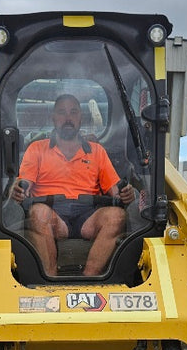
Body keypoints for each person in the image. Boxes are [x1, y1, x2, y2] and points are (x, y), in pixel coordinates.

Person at [11, 94, 135, 276]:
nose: (68, 118)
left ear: (81, 118)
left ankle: (89, 282)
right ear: (53, 118)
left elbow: (116, 190)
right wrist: (19, 189)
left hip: (89, 214)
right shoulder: (37, 148)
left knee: (117, 216)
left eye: (73, 112)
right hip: (52, 213)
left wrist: (126, 193)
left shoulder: (97, 151)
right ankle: (49, 282)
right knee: (38, 213)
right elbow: (25, 183)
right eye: (62, 112)